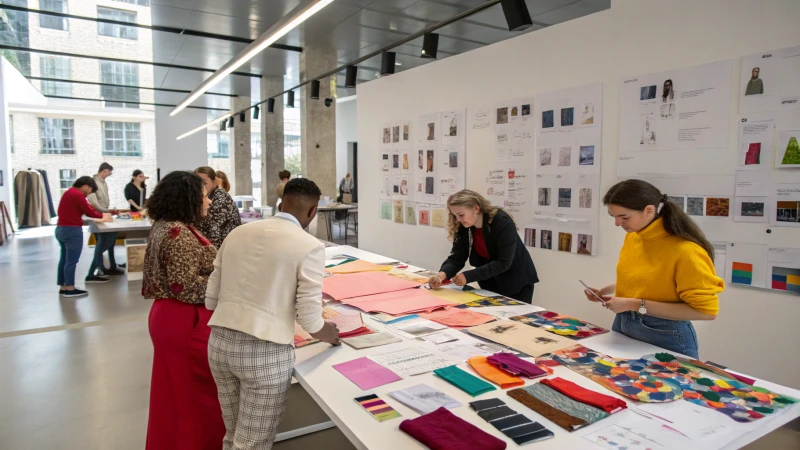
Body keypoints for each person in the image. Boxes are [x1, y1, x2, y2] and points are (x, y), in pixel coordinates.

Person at [206, 178, 340, 449]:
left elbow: (211, 299)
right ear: (313, 211)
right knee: (253, 443)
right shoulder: (309, 245)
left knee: (232, 435)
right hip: (264, 353)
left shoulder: (237, 233)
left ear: (280, 203)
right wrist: (331, 335)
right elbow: (309, 317)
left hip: (219, 345)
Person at [583, 179, 724, 359]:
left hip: (665, 334)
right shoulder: (634, 237)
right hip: (624, 323)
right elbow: (650, 278)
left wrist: (633, 304)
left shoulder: (687, 251)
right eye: (614, 217)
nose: (617, 223)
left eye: (624, 217)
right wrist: (605, 291)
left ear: (649, 210)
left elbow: (706, 312)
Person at [141, 171, 224, 450]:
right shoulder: (178, 234)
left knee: (175, 394)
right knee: (195, 395)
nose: (208, 202)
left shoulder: (166, 225)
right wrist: (230, 283)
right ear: (187, 198)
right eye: (203, 196)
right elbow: (185, 286)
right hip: (184, 320)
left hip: (170, 316)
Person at [428, 190, 539, 303]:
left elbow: (503, 262)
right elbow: (457, 257)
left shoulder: (501, 221)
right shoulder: (464, 224)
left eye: (461, 215)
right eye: (455, 215)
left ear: (476, 208)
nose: (458, 219)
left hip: (515, 281)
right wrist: (442, 275)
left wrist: (467, 276)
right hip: (490, 280)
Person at [56, 176, 112, 298]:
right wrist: (104, 216)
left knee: (64, 259)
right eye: (90, 191)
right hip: (72, 231)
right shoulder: (77, 195)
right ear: (86, 186)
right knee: (71, 261)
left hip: (61, 229)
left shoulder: (69, 193)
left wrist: (100, 215)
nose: (88, 195)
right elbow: (89, 211)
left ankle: (63, 287)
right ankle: (70, 289)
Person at [87, 162, 124, 282]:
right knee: (102, 242)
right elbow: (93, 203)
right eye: (109, 172)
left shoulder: (103, 182)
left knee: (111, 239)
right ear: (104, 171)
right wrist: (107, 211)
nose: (110, 174)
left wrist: (108, 211)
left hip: (104, 214)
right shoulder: (93, 183)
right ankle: (97, 269)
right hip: (98, 216)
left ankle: (111, 266)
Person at [194, 167, 241, 249]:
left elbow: (213, 234)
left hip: (223, 249)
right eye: (196, 183)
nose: (200, 187)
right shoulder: (207, 195)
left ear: (214, 181)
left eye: (204, 183)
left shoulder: (220, 197)